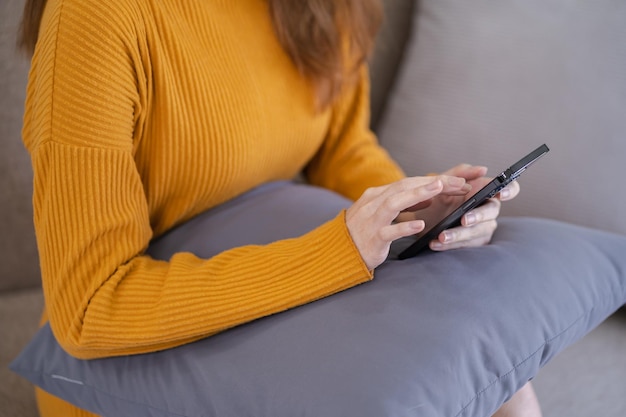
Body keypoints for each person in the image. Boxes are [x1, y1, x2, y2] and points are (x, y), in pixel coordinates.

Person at [18, 0, 540, 416]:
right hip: (131, 356)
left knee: (477, 344)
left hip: (265, 297)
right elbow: (89, 309)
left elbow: (341, 146)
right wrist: (333, 254)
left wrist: (423, 205)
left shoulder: (322, 6)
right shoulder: (96, 16)